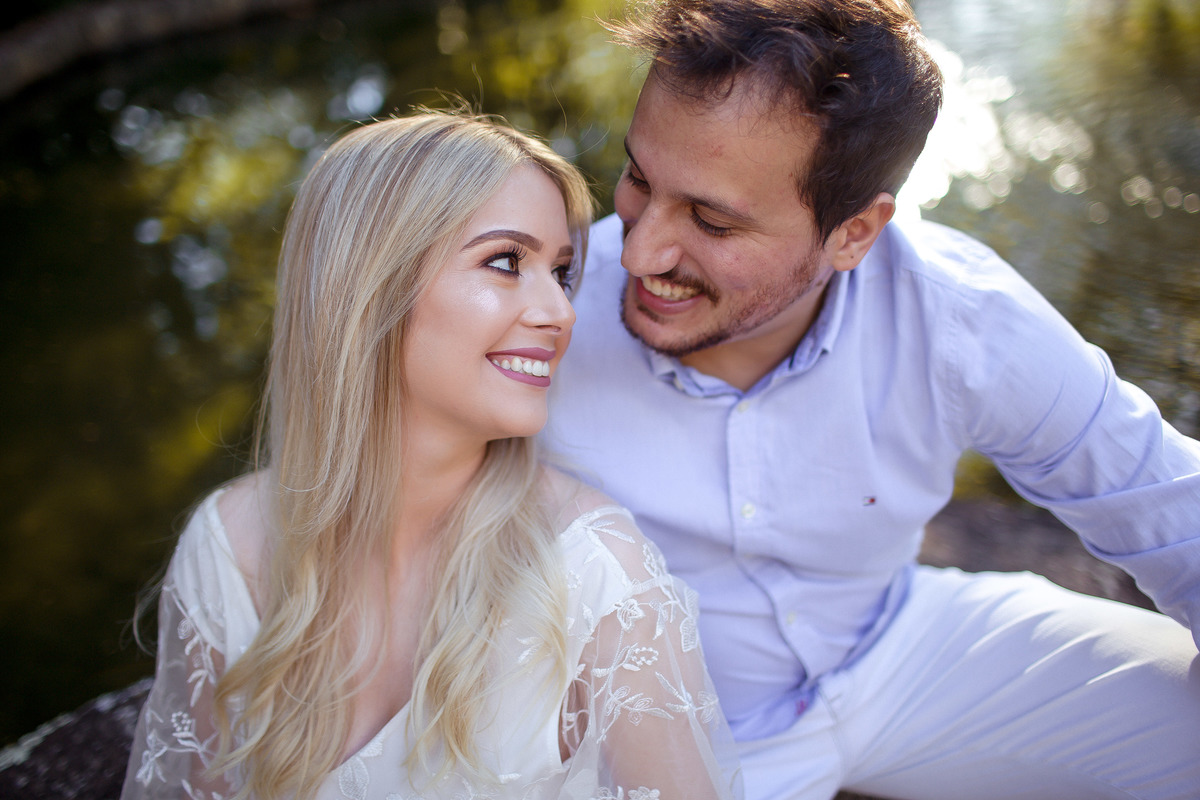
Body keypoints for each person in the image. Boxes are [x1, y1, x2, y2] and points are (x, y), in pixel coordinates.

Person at [543, 1, 1200, 798]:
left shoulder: (958, 317)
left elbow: (1167, 503)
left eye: (712, 221)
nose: (639, 248)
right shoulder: (543, 316)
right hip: (681, 734)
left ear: (855, 233)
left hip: (901, 650)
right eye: (639, 179)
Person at [121, 110, 741, 800]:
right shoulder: (229, 547)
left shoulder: (598, 573)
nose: (561, 312)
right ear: (369, 284)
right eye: (506, 262)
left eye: (560, 272)